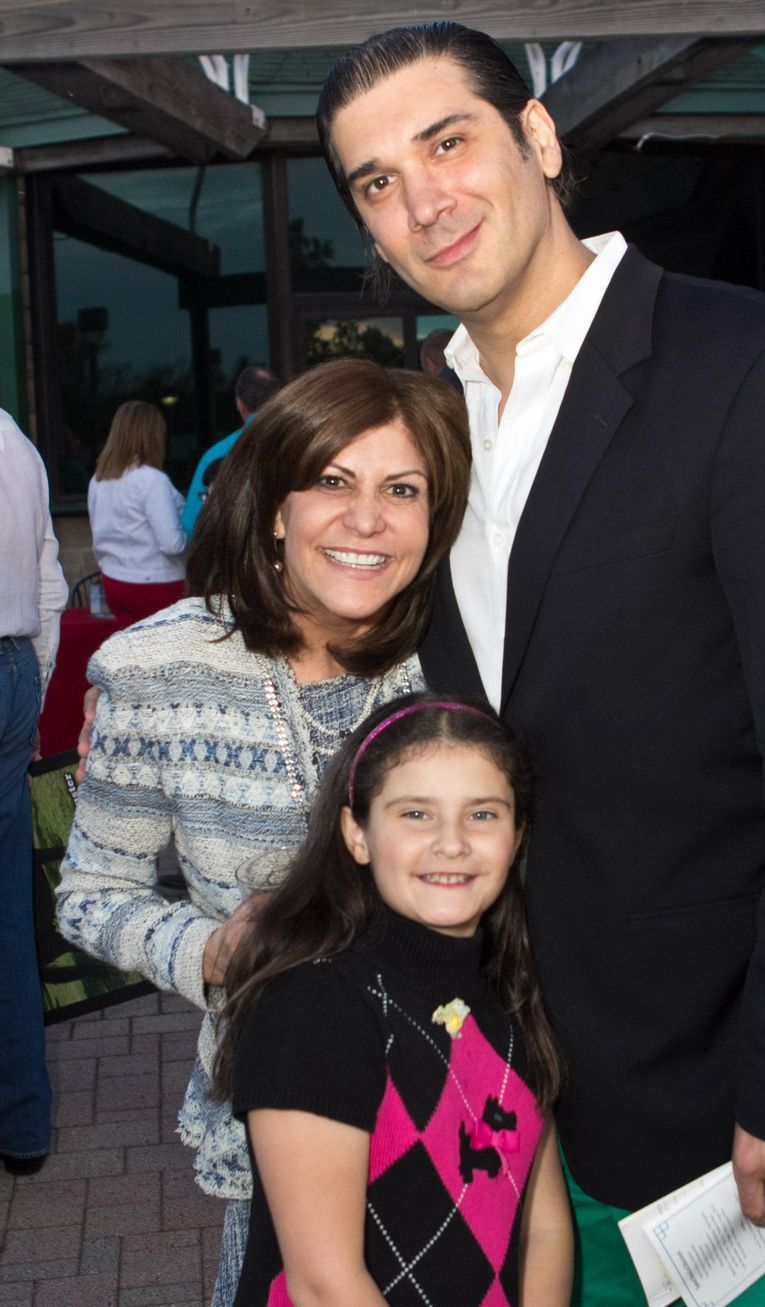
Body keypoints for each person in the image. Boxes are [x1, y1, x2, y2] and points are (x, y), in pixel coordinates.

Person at [316, 23, 765, 1304]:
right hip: (509, 1097)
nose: (422, 202)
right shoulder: (423, 423)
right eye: (376, 181)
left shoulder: (752, 369)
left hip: (732, 1118)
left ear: (536, 139)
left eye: (446, 142)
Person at [57, 358, 471, 1306]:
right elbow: (91, 894)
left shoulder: (462, 657)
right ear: (273, 505)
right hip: (280, 1133)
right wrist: (217, 949)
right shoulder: (158, 668)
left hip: (470, 1111)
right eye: (331, 481)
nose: (366, 519)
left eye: (400, 489)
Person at [213, 693, 572, 1307]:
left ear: (517, 836)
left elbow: (539, 1225)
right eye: (415, 815)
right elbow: (325, 1285)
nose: (452, 843)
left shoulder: (508, 989)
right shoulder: (315, 1006)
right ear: (356, 834)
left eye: (483, 815)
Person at [0, 408, 68, 1176]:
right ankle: (22, 1121)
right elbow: (48, 583)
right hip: (14, 665)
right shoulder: (13, 438)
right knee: (10, 911)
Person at [87, 399, 187, 626]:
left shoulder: (98, 479)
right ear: (153, 435)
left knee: (132, 656)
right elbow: (172, 544)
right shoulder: (152, 479)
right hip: (157, 584)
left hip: (114, 581)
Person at [182, 366, 281, 536]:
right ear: (281, 399)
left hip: (239, 557)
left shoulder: (217, 455)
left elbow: (192, 525)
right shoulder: (305, 444)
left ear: (239, 403)